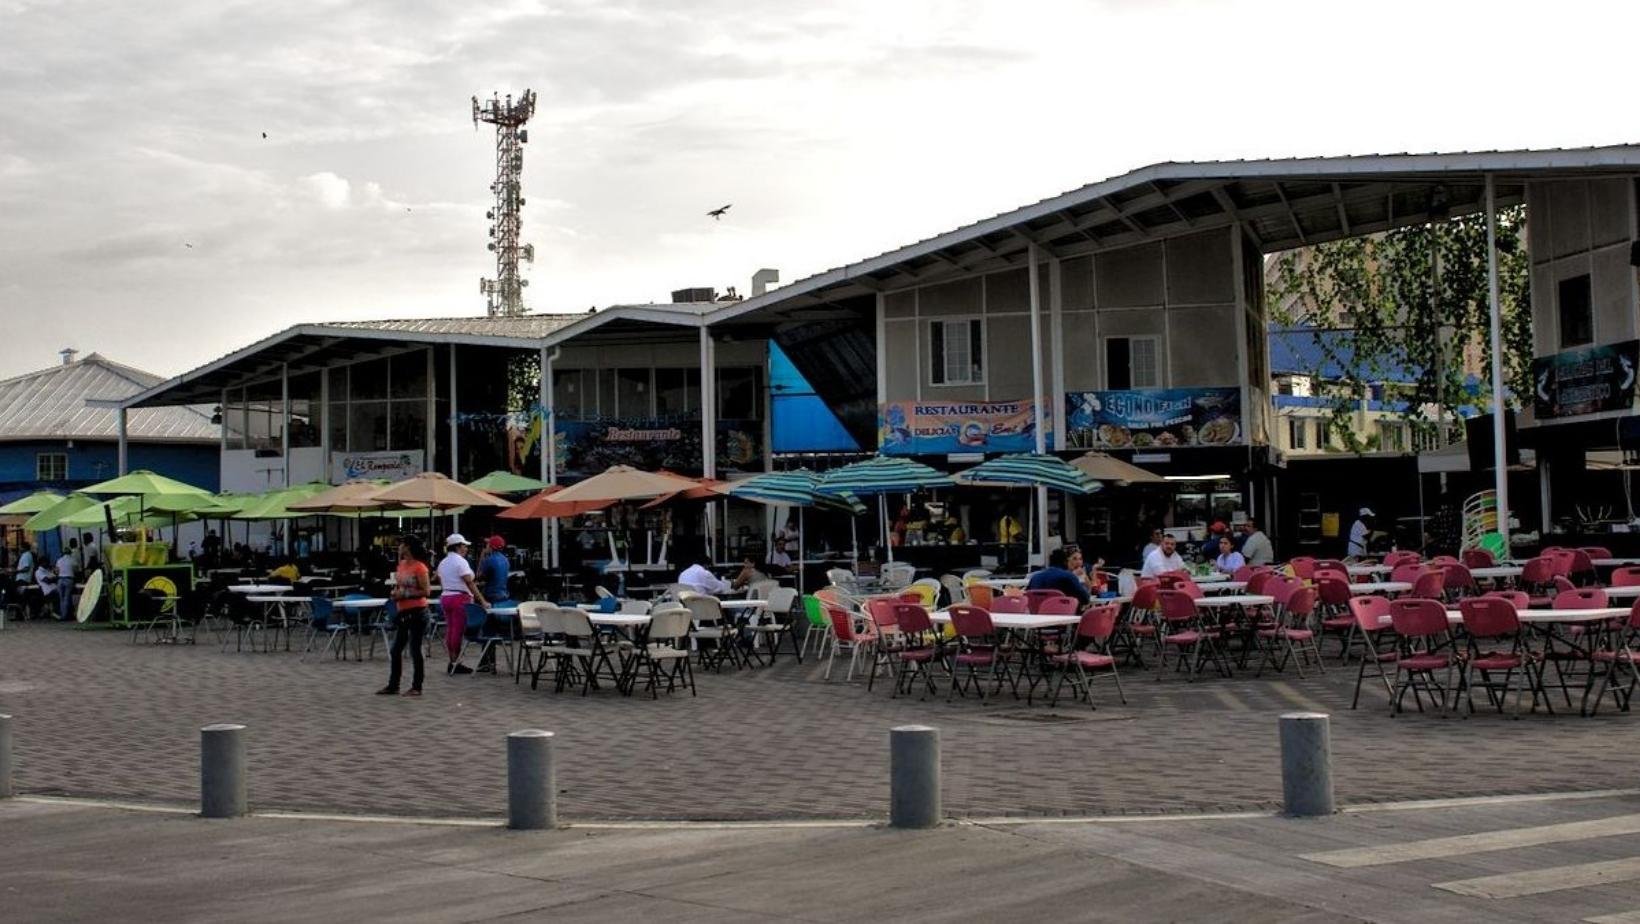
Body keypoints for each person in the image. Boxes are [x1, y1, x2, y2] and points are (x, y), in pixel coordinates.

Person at [379, 536, 430, 697]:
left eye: (401, 544)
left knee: (415, 649)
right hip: (402, 610)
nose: (398, 547)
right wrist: (395, 593)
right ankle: (393, 685)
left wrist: (406, 593)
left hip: (417, 611)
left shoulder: (420, 567)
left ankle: (417, 685)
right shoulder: (401, 565)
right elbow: (399, 585)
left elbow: (426, 591)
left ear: (407, 547)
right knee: (396, 650)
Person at [437, 534, 489, 675]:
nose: (466, 548)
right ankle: (456, 663)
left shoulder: (443, 562)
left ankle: (452, 660)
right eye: (464, 545)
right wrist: (482, 600)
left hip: (446, 596)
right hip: (460, 597)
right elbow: (469, 582)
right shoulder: (461, 562)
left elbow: (441, 580)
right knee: (458, 631)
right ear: (458, 546)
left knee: (450, 629)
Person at [1026, 548, 1092, 607]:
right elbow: (1085, 599)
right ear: (1066, 562)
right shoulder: (1068, 577)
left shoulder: (1035, 577)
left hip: (1038, 615)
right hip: (1064, 616)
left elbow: (1027, 597)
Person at [55, 539, 77, 621]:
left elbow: (56, 571)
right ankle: (65, 616)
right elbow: (76, 570)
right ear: (70, 552)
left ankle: (63, 614)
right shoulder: (72, 559)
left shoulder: (59, 560)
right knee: (67, 598)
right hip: (69, 579)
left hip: (60, 580)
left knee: (61, 598)